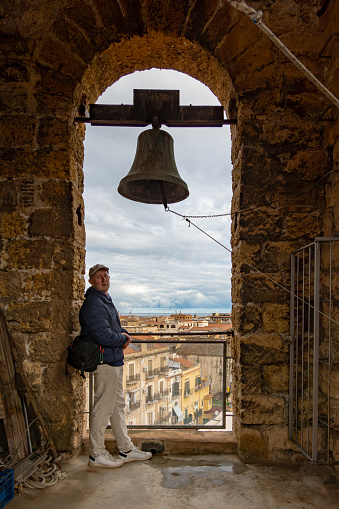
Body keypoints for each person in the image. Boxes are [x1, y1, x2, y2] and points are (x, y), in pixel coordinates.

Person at [79, 264, 152, 468]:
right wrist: (122, 338)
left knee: (117, 406)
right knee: (103, 407)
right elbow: (104, 335)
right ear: (91, 281)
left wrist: (122, 334)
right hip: (105, 361)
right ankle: (97, 454)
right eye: (99, 277)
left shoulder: (104, 300)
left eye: (106, 276)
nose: (104, 279)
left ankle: (126, 449)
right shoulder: (94, 303)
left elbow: (114, 328)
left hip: (113, 359)